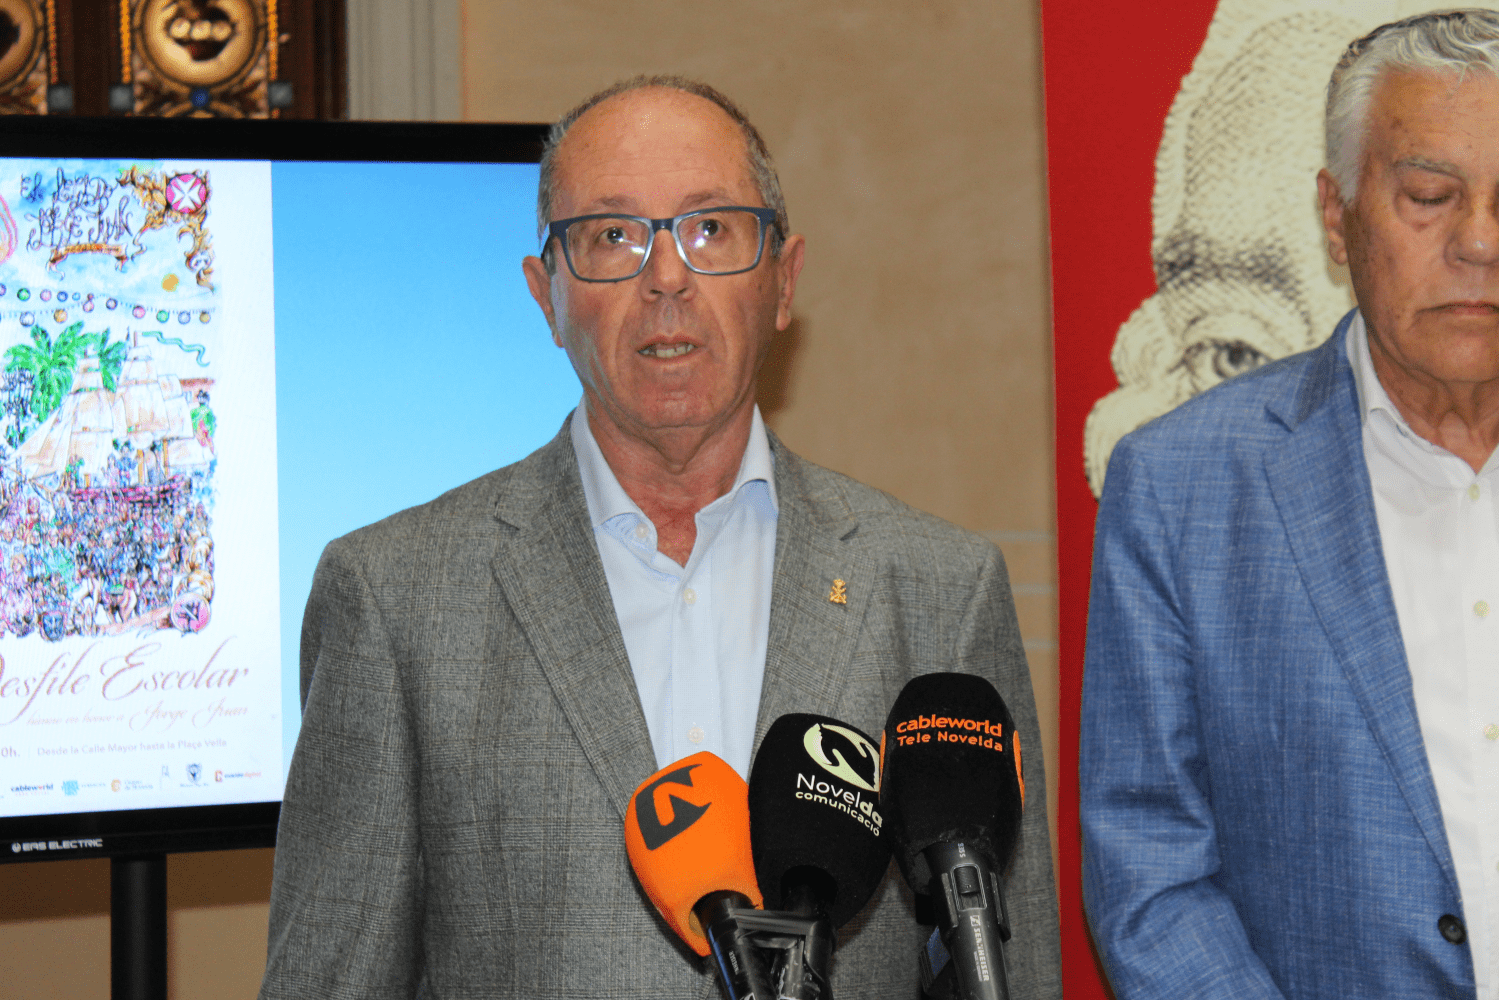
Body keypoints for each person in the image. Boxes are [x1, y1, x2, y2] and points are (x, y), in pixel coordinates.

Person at [260, 76, 1060, 998]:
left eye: (710, 228)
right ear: (546, 296)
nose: (667, 277)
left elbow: (1011, 970)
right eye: (612, 237)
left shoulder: (938, 588)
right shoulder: (395, 598)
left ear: (783, 280)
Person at [1082, 10, 1499, 999]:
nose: (1479, 241)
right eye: (1429, 196)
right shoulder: (1183, 487)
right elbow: (1149, 872)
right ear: (1335, 213)